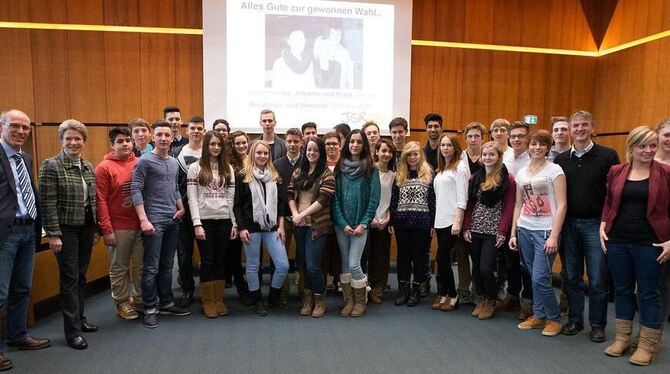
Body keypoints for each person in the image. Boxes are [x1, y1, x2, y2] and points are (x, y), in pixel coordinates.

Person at [599, 126, 670, 366]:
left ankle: (647, 345)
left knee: (650, 293)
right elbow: (608, 202)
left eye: (652, 145)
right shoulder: (616, 171)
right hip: (618, 241)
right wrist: (602, 224)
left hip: (651, 243)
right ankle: (622, 338)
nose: (648, 150)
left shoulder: (666, 173)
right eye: (642, 145)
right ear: (631, 147)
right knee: (621, 290)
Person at [554, 110, 620, 342]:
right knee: (571, 276)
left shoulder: (608, 156)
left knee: (597, 278)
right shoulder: (561, 160)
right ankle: (574, 320)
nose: (579, 129)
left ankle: (598, 325)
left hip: (595, 225)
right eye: (575, 126)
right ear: (570, 130)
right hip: (569, 224)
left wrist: (607, 224)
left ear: (593, 128)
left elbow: (614, 194)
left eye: (584, 125)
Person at [39, 119, 98, 350]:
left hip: (85, 228)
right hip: (65, 230)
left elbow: (92, 201)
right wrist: (53, 234)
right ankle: (71, 331)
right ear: (61, 141)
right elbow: (47, 203)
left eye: (78, 139)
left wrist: (94, 230)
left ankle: (80, 320)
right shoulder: (51, 165)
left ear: (84, 141)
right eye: (69, 139)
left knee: (81, 275)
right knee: (70, 278)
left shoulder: (88, 166)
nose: (74, 142)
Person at [0, 110, 50, 370]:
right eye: (15, 126)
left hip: (28, 230)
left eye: (26, 127)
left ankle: (17, 336)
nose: (21, 131)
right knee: (0, 293)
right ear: (2, 127)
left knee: (22, 288)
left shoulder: (25, 157)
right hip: (5, 234)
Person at [131, 120, 190, 329]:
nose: (164, 138)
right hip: (153, 221)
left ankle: (166, 302)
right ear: (152, 137)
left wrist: (181, 207)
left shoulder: (174, 162)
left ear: (171, 138)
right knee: (151, 267)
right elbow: (135, 190)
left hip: (172, 219)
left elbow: (174, 187)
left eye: (167, 135)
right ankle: (149, 308)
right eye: (159, 135)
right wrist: (143, 219)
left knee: (167, 266)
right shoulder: (144, 161)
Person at [509, 130, 567, 337]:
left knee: (541, 277)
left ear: (548, 147)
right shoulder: (522, 173)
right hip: (525, 228)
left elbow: (562, 205)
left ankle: (554, 318)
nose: (537, 147)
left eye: (542, 144)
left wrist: (553, 235)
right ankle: (538, 314)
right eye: (533, 143)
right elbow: (518, 203)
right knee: (532, 276)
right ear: (528, 145)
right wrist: (513, 233)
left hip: (545, 230)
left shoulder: (555, 170)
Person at [234, 140, 289, 316]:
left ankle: (273, 296)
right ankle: (258, 300)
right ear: (252, 154)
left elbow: (281, 203)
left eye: (265, 153)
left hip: (272, 227)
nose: (262, 156)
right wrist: (242, 228)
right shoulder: (243, 175)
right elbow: (237, 205)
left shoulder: (275, 176)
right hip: (251, 228)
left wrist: (281, 226)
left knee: (283, 266)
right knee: (253, 265)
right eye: (259, 153)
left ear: (269, 155)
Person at [463, 141, 516, 320]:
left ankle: (492, 300)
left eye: (491, 155)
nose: (487, 158)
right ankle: (481, 298)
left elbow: (509, 207)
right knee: (476, 268)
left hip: (493, 231)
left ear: (499, 157)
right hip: (475, 228)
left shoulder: (507, 179)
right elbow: (470, 204)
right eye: (485, 155)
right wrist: (467, 227)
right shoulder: (475, 178)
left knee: (487, 268)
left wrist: (503, 231)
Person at [187, 131, 237, 318]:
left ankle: (218, 299)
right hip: (204, 221)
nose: (216, 147)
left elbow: (231, 198)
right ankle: (207, 301)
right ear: (206, 145)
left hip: (224, 220)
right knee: (207, 260)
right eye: (212, 144)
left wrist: (234, 223)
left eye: (219, 144)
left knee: (221, 260)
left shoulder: (228, 168)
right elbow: (192, 198)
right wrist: (196, 224)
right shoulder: (195, 167)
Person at [95, 127, 143, 320]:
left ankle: (139, 299)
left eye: (128, 140)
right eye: (120, 141)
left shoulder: (139, 163)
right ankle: (122, 302)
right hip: (118, 227)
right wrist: (107, 230)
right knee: (119, 267)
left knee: (140, 265)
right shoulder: (104, 167)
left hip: (140, 224)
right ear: (112, 144)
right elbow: (100, 200)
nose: (125, 144)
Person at [332, 129, 380, 317]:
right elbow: (334, 200)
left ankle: (361, 300)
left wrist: (364, 223)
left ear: (364, 145)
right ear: (347, 144)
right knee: (345, 265)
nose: (355, 145)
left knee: (354, 264)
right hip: (341, 225)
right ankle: (349, 300)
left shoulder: (371, 168)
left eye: (359, 142)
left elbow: (374, 199)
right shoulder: (339, 168)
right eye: (352, 141)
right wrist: (342, 223)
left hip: (360, 226)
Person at [288, 138, 336, 317]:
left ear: (321, 152)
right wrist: (295, 214)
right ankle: (307, 299)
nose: (312, 153)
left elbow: (323, 200)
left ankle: (319, 300)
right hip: (299, 225)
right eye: (309, 149)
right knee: (303, 264)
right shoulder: (298, 172)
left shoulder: (327, 174)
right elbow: (290, 194)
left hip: (317, 226)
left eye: (315, 150)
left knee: (314, 265)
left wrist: (302, 215)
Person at [390, 141, 436, 307]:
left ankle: (416, 291)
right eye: (409, 154)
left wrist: (432, 223)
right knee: (403, 257)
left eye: (415, 154)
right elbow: (394, 200)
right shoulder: (399, 174)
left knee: (419, 257)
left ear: (420, 155)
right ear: (405, 156)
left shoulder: (429, 174)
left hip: (422, 223)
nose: (412, 157)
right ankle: (403, 290)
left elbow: (432, 201)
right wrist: (393, 220)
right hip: (402, 223)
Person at [500, 121, 533, 321]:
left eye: (521, 136)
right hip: (507, 214)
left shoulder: (534, 159)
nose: (517, 139)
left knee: (526, 263)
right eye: (514, 136)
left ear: (528, 138)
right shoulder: (504, 158)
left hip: (529, 217)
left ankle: (528, 301)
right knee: (509, 259)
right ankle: (513, 295)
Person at [432, 134, 469, 311]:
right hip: (440, 220)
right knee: (442, 260)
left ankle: (453, 296)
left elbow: (463, 198)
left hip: (451, 221)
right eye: (443, 145)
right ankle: (445, 293)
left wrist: (457, 221)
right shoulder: (441, 169)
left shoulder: (460, 168)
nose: (445, 148)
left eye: (449, 145)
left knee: (442, 258)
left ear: (455, 147)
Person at [173, 116, 205, 307]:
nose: (195, 131)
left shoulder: (210, 153)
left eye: (199, 128)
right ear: (187, 131)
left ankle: (207, 290)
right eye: (192, 128)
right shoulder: (177, 153)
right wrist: (180, 207)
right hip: (183, 212)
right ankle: (187, 289)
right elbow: (174, 184)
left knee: (207, 254)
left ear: (204, 131)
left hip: (205, 212)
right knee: (184, 255)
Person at [456, 122, 486, 305]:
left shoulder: (489, 157)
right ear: (465, 138)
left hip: (483, 212)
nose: (473, 139)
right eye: (470, 136)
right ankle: (464, 289)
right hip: (462, 210)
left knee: (478, 255)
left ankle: (478, 290)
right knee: (461, 253)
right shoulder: (459, 158)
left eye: (477, 136)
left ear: (483, 138)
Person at [273, 128, 304, 306]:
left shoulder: (307, 161)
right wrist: (279, 220)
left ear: (301, 142)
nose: (292, 144)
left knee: (303, 255)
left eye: (295, 141)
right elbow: (275, 194)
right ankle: (282, 291)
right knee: (282, 256)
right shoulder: (277, 164)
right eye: (289, 141)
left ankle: (302, 290)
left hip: (304, 216)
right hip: (283, 217)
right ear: (285, 142)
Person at [226, 130, 253, 305]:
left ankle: (254, 289)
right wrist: (235, 221)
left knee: (253, 255)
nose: (242, 146)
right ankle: (242, 288)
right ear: (233, 146)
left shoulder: (256, 160)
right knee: (235, 255)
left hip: (253, 215)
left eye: (244, 142)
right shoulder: (229, 165)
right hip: (236, 214)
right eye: (238, 143)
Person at [366, 139, 395, 304]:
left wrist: (388, 219)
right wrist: (371, 219)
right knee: (366, 256)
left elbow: (392, 201)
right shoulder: (368, 172)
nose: (386, 154)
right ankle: (364, 287)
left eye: (389, 152)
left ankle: (378, 289)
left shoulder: (393, 176)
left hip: (384, 221)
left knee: (381, 257)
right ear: (376, 152)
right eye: (383, 151)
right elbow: (366, 198)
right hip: (368, 220)